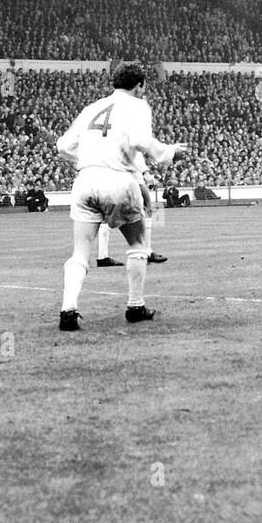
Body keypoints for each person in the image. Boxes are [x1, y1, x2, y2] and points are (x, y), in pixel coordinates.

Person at [55, 61, 189, 331]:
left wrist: (90, 158)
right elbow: (141, 140)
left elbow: (63, 146)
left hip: (85, 180)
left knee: (80, 252)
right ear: (140, 85)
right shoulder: (138, 105)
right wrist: (170, 152)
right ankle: (135, 306)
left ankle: (68, 309)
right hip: (118, 179)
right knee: (138, 243)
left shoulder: (92, 107)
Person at [95, 153, 167, 267]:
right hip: (129, 178)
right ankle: (147, 252)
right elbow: (137, 157)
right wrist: (147, 174)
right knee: (148, 207)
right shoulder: (131, 145)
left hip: (109, 177)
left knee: (106, 217)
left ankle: (102, 257)